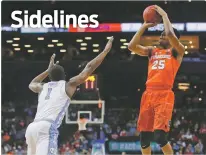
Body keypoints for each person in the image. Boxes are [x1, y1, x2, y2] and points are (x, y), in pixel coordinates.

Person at [25, 37, 114, 155]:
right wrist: (105, 52)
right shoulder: (67, 85)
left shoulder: (42, 87)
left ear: (50, 77)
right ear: (64, 75)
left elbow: (32, 84)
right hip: (46, 128)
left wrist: (47, 70)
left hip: (32, 128)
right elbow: (89, 68)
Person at [128, 5, 185, 155]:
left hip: (164, 95)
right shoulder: (152, 51)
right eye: (160, 35)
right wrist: (144, 26)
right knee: (144, 138)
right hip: (148, 94)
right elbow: (131, 46)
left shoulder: (177, 51)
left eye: (163, 35)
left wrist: (165, 16)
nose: (161, 37)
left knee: (160, 136)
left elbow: (170, 35)